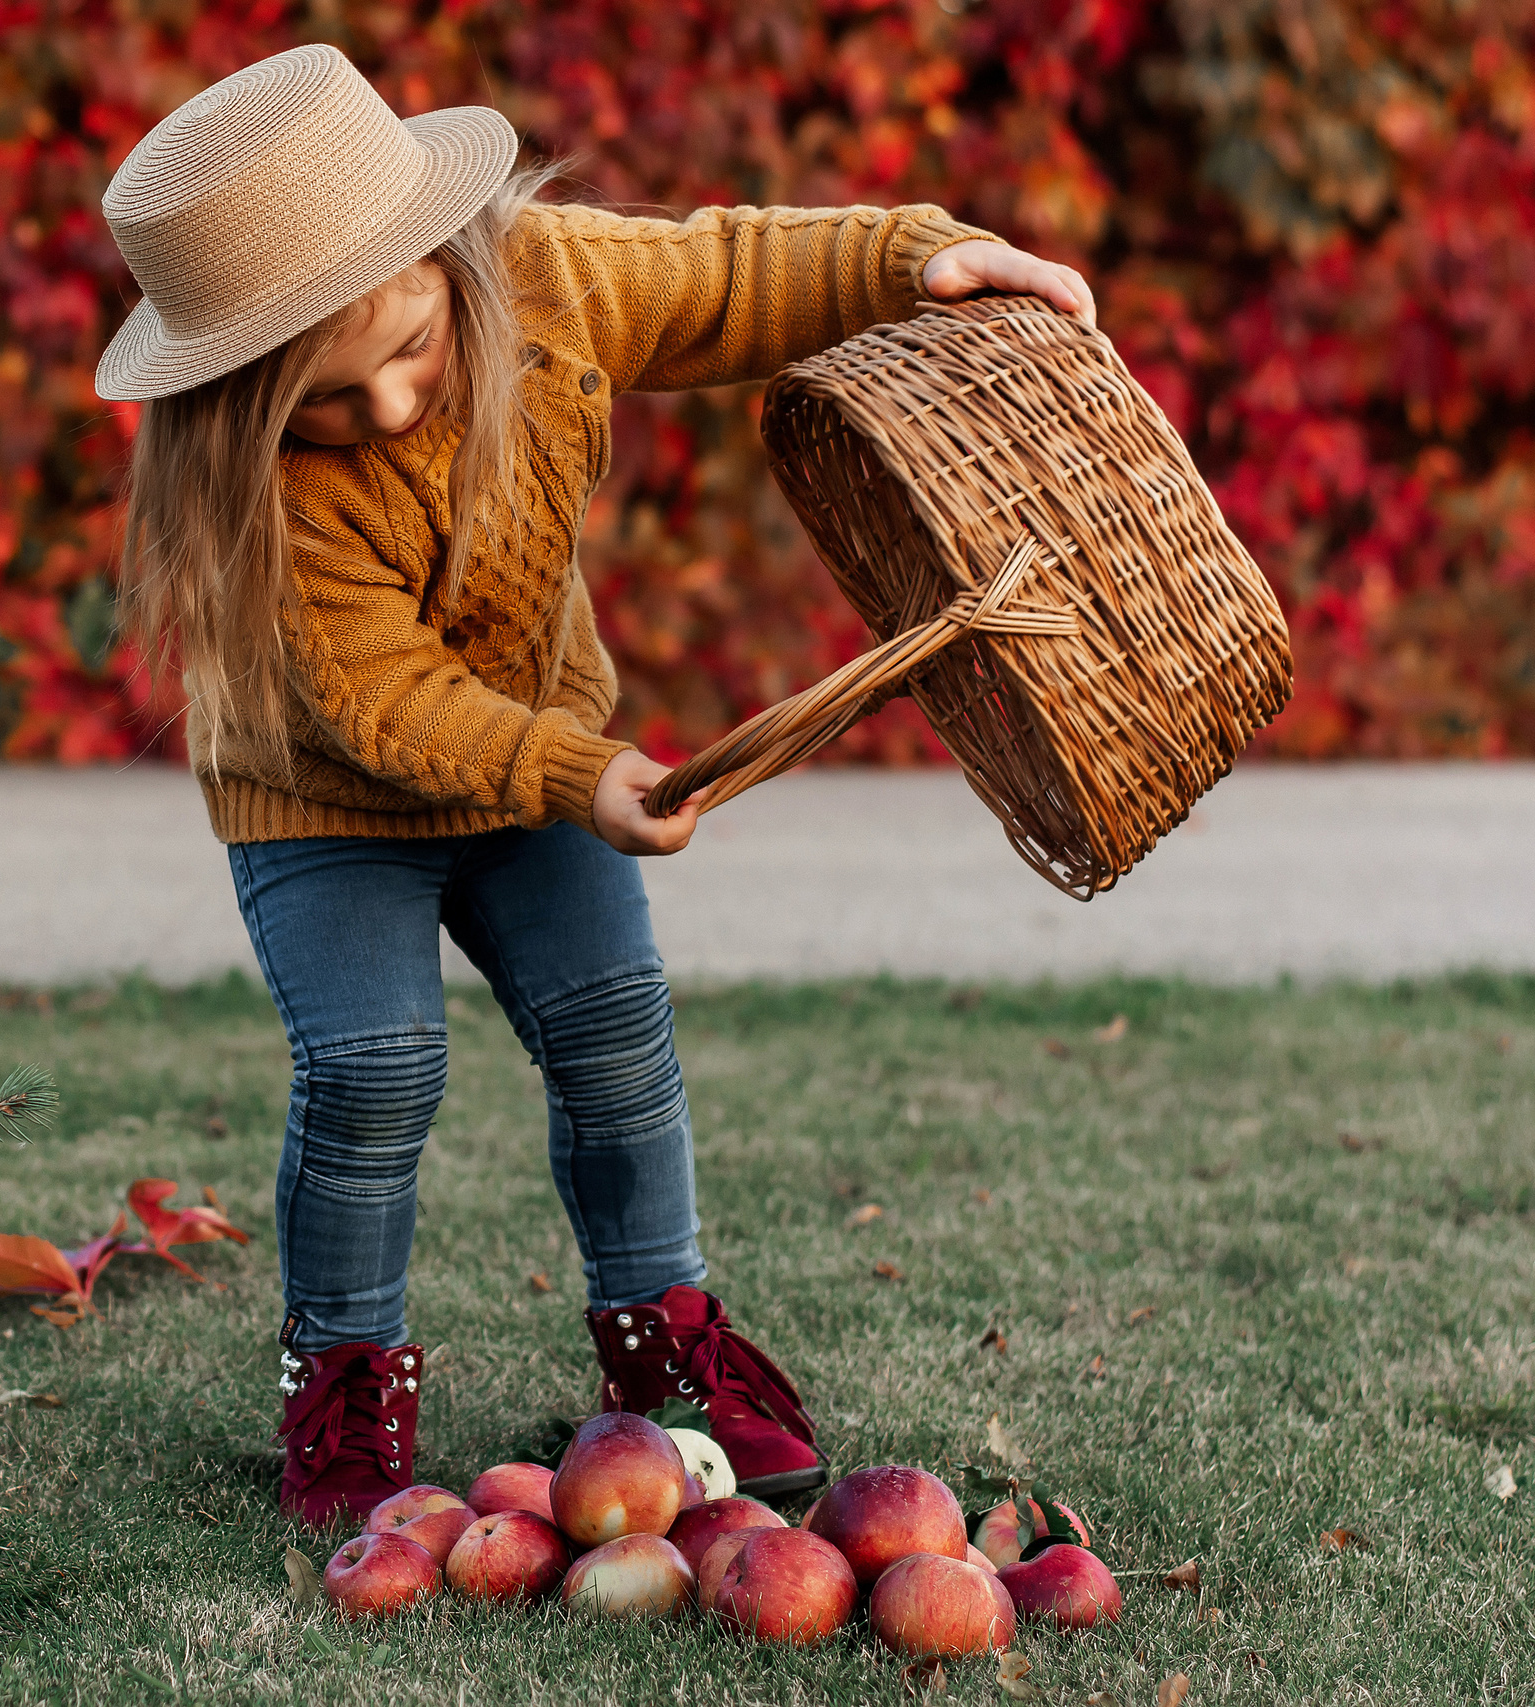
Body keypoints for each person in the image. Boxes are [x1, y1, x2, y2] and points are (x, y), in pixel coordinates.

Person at [93, 44, 1095, 1526]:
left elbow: (730, 279)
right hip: (324, 803)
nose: (380, 407)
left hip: (538, 772)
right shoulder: (270, 504)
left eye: (413, 349)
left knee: (615, 1032)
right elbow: (381, 703)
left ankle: (662, 1340)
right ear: (241, 400)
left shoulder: (548, 281)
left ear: (453, 264)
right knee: (375, 1068)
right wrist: (583, 770)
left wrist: (916, 253)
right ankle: (344, 1371)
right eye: (321, 397)